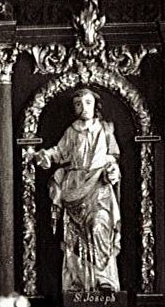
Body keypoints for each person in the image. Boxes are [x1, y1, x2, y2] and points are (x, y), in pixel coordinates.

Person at [34, 87, 121, 294]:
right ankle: (78, 283)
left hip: (99, 186)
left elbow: (113, 157)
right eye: (78, 104)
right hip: (74, 187)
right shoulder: (72, 131)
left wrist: (112, 170)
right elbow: (59, 152)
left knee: (99, 226)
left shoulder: (106, 129)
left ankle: (103, 279)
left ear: (95, 105)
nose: (84, 108)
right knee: (75, 235)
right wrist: (45, 155)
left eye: (88, 103)